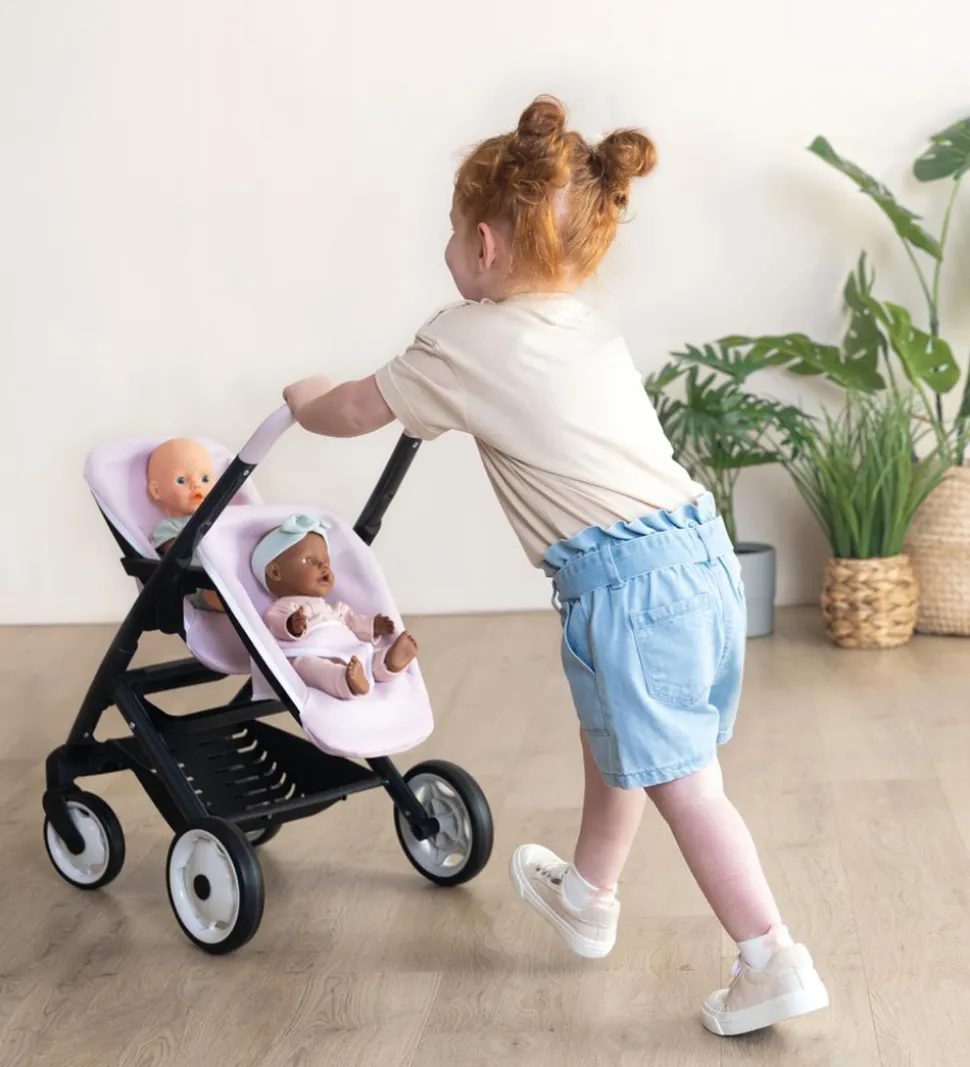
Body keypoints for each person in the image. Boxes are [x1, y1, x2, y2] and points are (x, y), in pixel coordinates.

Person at [281, 95, 828, 1036]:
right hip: (697, 555)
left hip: (629, 587)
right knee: (617, 730)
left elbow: (359, 410)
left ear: (484, 243)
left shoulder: (459, 337)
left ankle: (770, 955)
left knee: (687, 783)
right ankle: (589, 893)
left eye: (452, 228)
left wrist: (305, 401)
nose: (448, 247)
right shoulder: (584, 325)